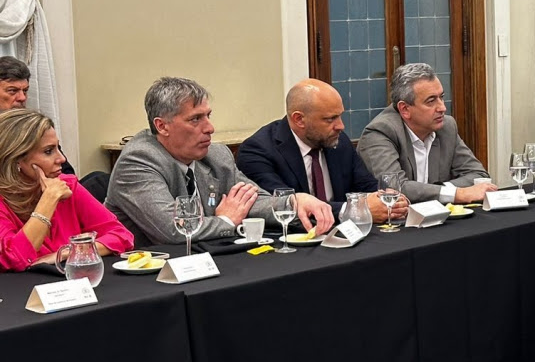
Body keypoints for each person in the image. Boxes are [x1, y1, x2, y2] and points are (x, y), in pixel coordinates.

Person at [106, 77, 334, 245]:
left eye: (208, 116)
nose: (210, 128)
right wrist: (226, 220)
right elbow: (173, 230)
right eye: (195, 119)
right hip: (149, 275)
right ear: (162, 126)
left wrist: (294, 202)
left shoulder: (216, 155)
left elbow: (250, 201)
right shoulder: (138, 161)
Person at [237, 79, 408, 223]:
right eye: (330, 119)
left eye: (340, 115)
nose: (341, 126)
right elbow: (284, 206)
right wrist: (355, 209)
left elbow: (366, 185)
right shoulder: (258, 151)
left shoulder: (338, 141)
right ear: (299, 119)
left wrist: (388, 199)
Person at [0, 110, 132, 271]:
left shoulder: (66, 185)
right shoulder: (51, 192)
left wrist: (68, 252)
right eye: (48, 151)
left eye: (58, 148)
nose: (62, 159)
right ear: (16, 160)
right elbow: (14, 259)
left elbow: (122, 236)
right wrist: (48, 200)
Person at [358, 63, 495, 204]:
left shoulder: (446, 127)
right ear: (405, 109)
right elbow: (393, 189)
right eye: (431, 101)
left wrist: (443, 191)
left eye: (441, 97)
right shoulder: (380, 132)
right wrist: (457, 194)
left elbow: (479, 176)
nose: (442, 107)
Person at [0, 56, 75, 176]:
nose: (22, 98)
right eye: (13, 91)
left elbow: (66, 172)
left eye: (25, 91)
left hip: (47, 184)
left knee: (99, 178)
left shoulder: (30, 126)